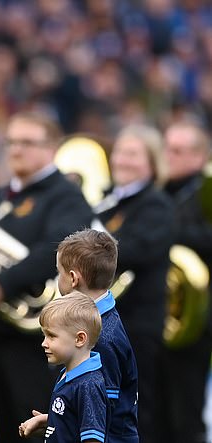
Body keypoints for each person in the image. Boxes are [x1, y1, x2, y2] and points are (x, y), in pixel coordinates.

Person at [0, 111, 94, 443]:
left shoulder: (66, 195)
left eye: (27, 142)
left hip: (36, 341)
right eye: (12, 142)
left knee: (33, 428)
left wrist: (4, 283)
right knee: (5, 427)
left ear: (51, 148)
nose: (16, 150)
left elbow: (59, 249)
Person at [94, 123, 176, 442]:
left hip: (136, 327)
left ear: (153, 162)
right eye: (119, 152)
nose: (122, 160)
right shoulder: (106, 202)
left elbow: (136, 251)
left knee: (134, 414)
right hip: (103, 326)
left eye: (133, 154)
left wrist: (90, 243)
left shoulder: (157, 205)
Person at [155, 120, 212, 443]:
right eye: (166, 148)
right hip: (156, 318)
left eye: (176, 151)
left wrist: (165, 235)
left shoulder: (207, 192)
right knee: (154, 416)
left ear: (199, 156)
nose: (168, 156)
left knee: (186, 417)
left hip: (192, 322)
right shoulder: (159, 191)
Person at [56, 228, 139, 442]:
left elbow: (100, 414)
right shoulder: (97, 322)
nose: (59, 279)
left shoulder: (101, 338)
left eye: (59, 273)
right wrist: (54, 419)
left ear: (73, 278)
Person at [18, 291, 107, 443]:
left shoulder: (88, 385)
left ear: (79, 339)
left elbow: (92, 439)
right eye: (44, 335)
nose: (44, 343)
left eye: (51, 336)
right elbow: (73, 424)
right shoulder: (68, 374)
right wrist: (48, 422)